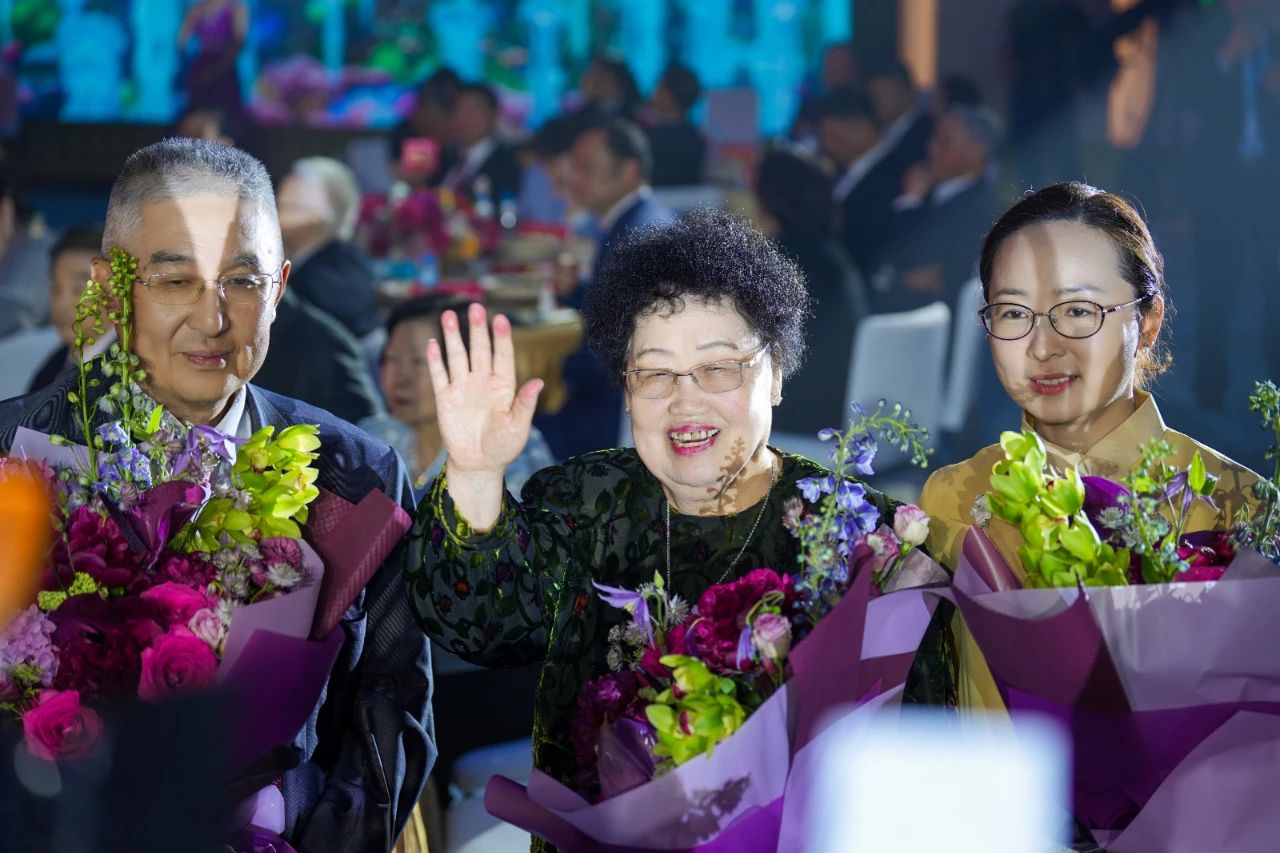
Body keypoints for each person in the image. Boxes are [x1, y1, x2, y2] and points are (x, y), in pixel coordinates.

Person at [403, 209, 954, 811]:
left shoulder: (861, 537)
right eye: (655, 374)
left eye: (718, 368)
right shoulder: (583, 502)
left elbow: (918, 759)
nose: (685, 402)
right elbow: (479, 627)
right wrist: (476, 474)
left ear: (775, 374)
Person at [0, 138, 434, 850]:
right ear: (109, 287)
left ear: (281, 287)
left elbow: (391, 710)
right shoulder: (15, 456)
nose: (212, 319)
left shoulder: (356, 475)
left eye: (242, 281)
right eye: (175, 281)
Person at [918, 181, 1260, 713]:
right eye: (1013, 313)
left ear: (1149, 321)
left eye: (1078, 310)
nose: (1042, 347)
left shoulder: (1237, 504)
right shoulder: (952, 496)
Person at [539, 117, 673, 459]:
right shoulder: (642, 219)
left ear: (628, 171)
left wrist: (551, 371)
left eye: (586, 167)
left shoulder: (634, 235)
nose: (574, 178)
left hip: (615, 414)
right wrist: (577, 292)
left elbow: (607, 353)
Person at [360, 295, 554, 502]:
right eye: (390, 358)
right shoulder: (372, 441)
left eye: (418, 361)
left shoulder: (506, 446)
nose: (400, 379)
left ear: (468, 366)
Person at [754, 147, 868, 435]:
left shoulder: (780, 263)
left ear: (769, 202)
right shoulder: (833, 256)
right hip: (838, 408)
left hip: (797, 417)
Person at [871, 106, 1003, 314]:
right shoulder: (927, 194)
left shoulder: (980, 209)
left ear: (977, 151)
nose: (931, 149)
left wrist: (909, 202)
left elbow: (917, 263)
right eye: (932, 140)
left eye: (944, 142)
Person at [276, 156, 381, 341]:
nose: (278, 212)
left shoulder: (337, 273)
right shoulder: (299, 263)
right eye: (280, 205)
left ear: (334, 209)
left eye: (292, 206)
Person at [816, 87, 898, 278]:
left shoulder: (890, 177)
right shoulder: (842, 170)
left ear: (862, 129)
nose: (826, 145)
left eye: (833, 137)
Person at [28, 224, 112, 392]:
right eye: (56, 288)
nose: (62, 304)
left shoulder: (128, 372)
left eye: (79, 289)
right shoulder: (54, 365)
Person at [439, 82, 522, 203]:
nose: (467, 118)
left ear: (494, 115)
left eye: (474, 110)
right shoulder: (445, 159)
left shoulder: (508, 164)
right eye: (460, 110)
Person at [177, 0, 248, 117]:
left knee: (223, 113)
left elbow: (239, 42)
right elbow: (182, 41)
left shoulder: (236, 8)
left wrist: (218, 67)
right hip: (202, 65)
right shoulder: (198, 8)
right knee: (197, 113)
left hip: (224, 69)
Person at [643, 62, 707, 187]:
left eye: (659, 88)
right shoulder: (696, 138)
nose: (654, 94)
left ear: (669, 96)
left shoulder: (650, 139)